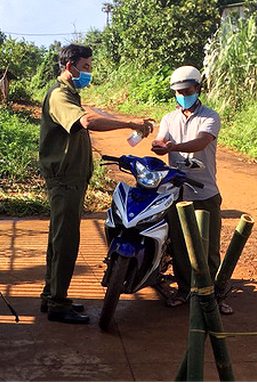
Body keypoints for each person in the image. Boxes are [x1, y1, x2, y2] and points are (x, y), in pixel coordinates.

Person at [39, 44, 154, 324]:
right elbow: (87, 121)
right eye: (86, 67)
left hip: (71, 179)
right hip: (64, 180)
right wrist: (129, 122)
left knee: (60, 239)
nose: (89, 73)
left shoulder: (69, 93)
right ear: (70, 67)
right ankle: (57, 302)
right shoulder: (59, 95)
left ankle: (53, 295)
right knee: (65, 241)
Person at [151, 65, 232, 314]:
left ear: (198, 88)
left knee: (208, 249)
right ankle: (185, 290)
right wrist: (158, 144)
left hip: (204, 190)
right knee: (180, 246)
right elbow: (160, 139)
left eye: (187, 90)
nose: (182, 95)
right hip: (176, 193)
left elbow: (202, 141)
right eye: (178, 91)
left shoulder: (210, 116)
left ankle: (214, 296)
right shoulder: (168, 118)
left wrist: (173, 147)